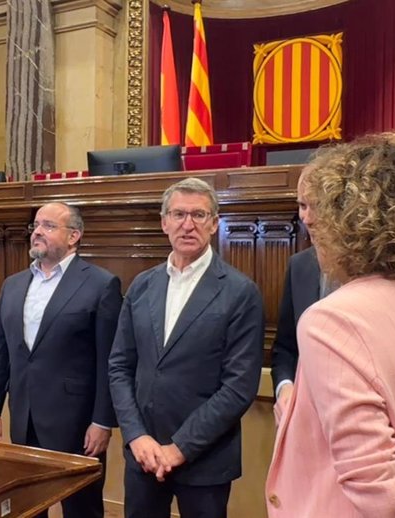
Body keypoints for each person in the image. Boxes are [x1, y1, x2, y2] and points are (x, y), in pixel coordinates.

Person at [266, 134, 395, 517]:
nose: (308, 219)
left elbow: (380, 489)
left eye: (320, 208)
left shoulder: (334, 320)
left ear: (349, 221)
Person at [109, 177, 265, 518]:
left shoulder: (240, 292)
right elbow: (120, 366)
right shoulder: (142, 285)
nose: (187, 224)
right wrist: (136, 436)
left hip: (204, 461)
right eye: (178, 214)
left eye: (199, 215)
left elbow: (239, 387)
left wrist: (179, 448)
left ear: (214, 224)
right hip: (143, 456)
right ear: (164, 222)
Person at [0, 202, 122, 518]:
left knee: (81, 510)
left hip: (77, 423)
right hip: (24, 417)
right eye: (36, 225)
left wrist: (102, 421)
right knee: (26, 507)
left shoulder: (101, 284)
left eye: (48, 226)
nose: (38, 232)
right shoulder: (13, 284)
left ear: (74, 236)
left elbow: (109, 361)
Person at [271, 169, 339, 424]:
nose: (307, 218)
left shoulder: (379, 269)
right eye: (302, 205)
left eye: (317, 206)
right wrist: (285, 388)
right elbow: (286, 348)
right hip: (304, 419)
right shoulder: (300, 265)